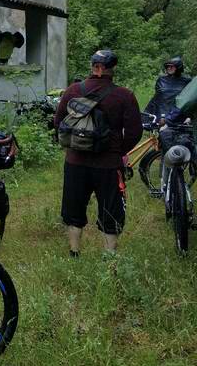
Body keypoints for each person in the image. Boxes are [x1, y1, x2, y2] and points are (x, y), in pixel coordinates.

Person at [54, 50, 142, 257]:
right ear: (111, 69)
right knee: (111, 210)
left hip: (75, 162)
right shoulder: (124, 95)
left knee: (73, 208)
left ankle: (74, 253)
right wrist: (117, 151)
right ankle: (109, 257)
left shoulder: (73, 90)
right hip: (108, 165)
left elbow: (58, 123)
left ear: (94, 67)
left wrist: (73, 146)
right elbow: (134, 132)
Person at [144, 57, 191, 121]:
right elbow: (156, 99)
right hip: (162, 116)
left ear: (178, 67)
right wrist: (146, 116)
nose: (169, 68)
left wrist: (190, 117)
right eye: (167, 66)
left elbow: (190, 100)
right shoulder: (161, 80)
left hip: (179, 116)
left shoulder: (187, 81)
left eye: (171, 66)